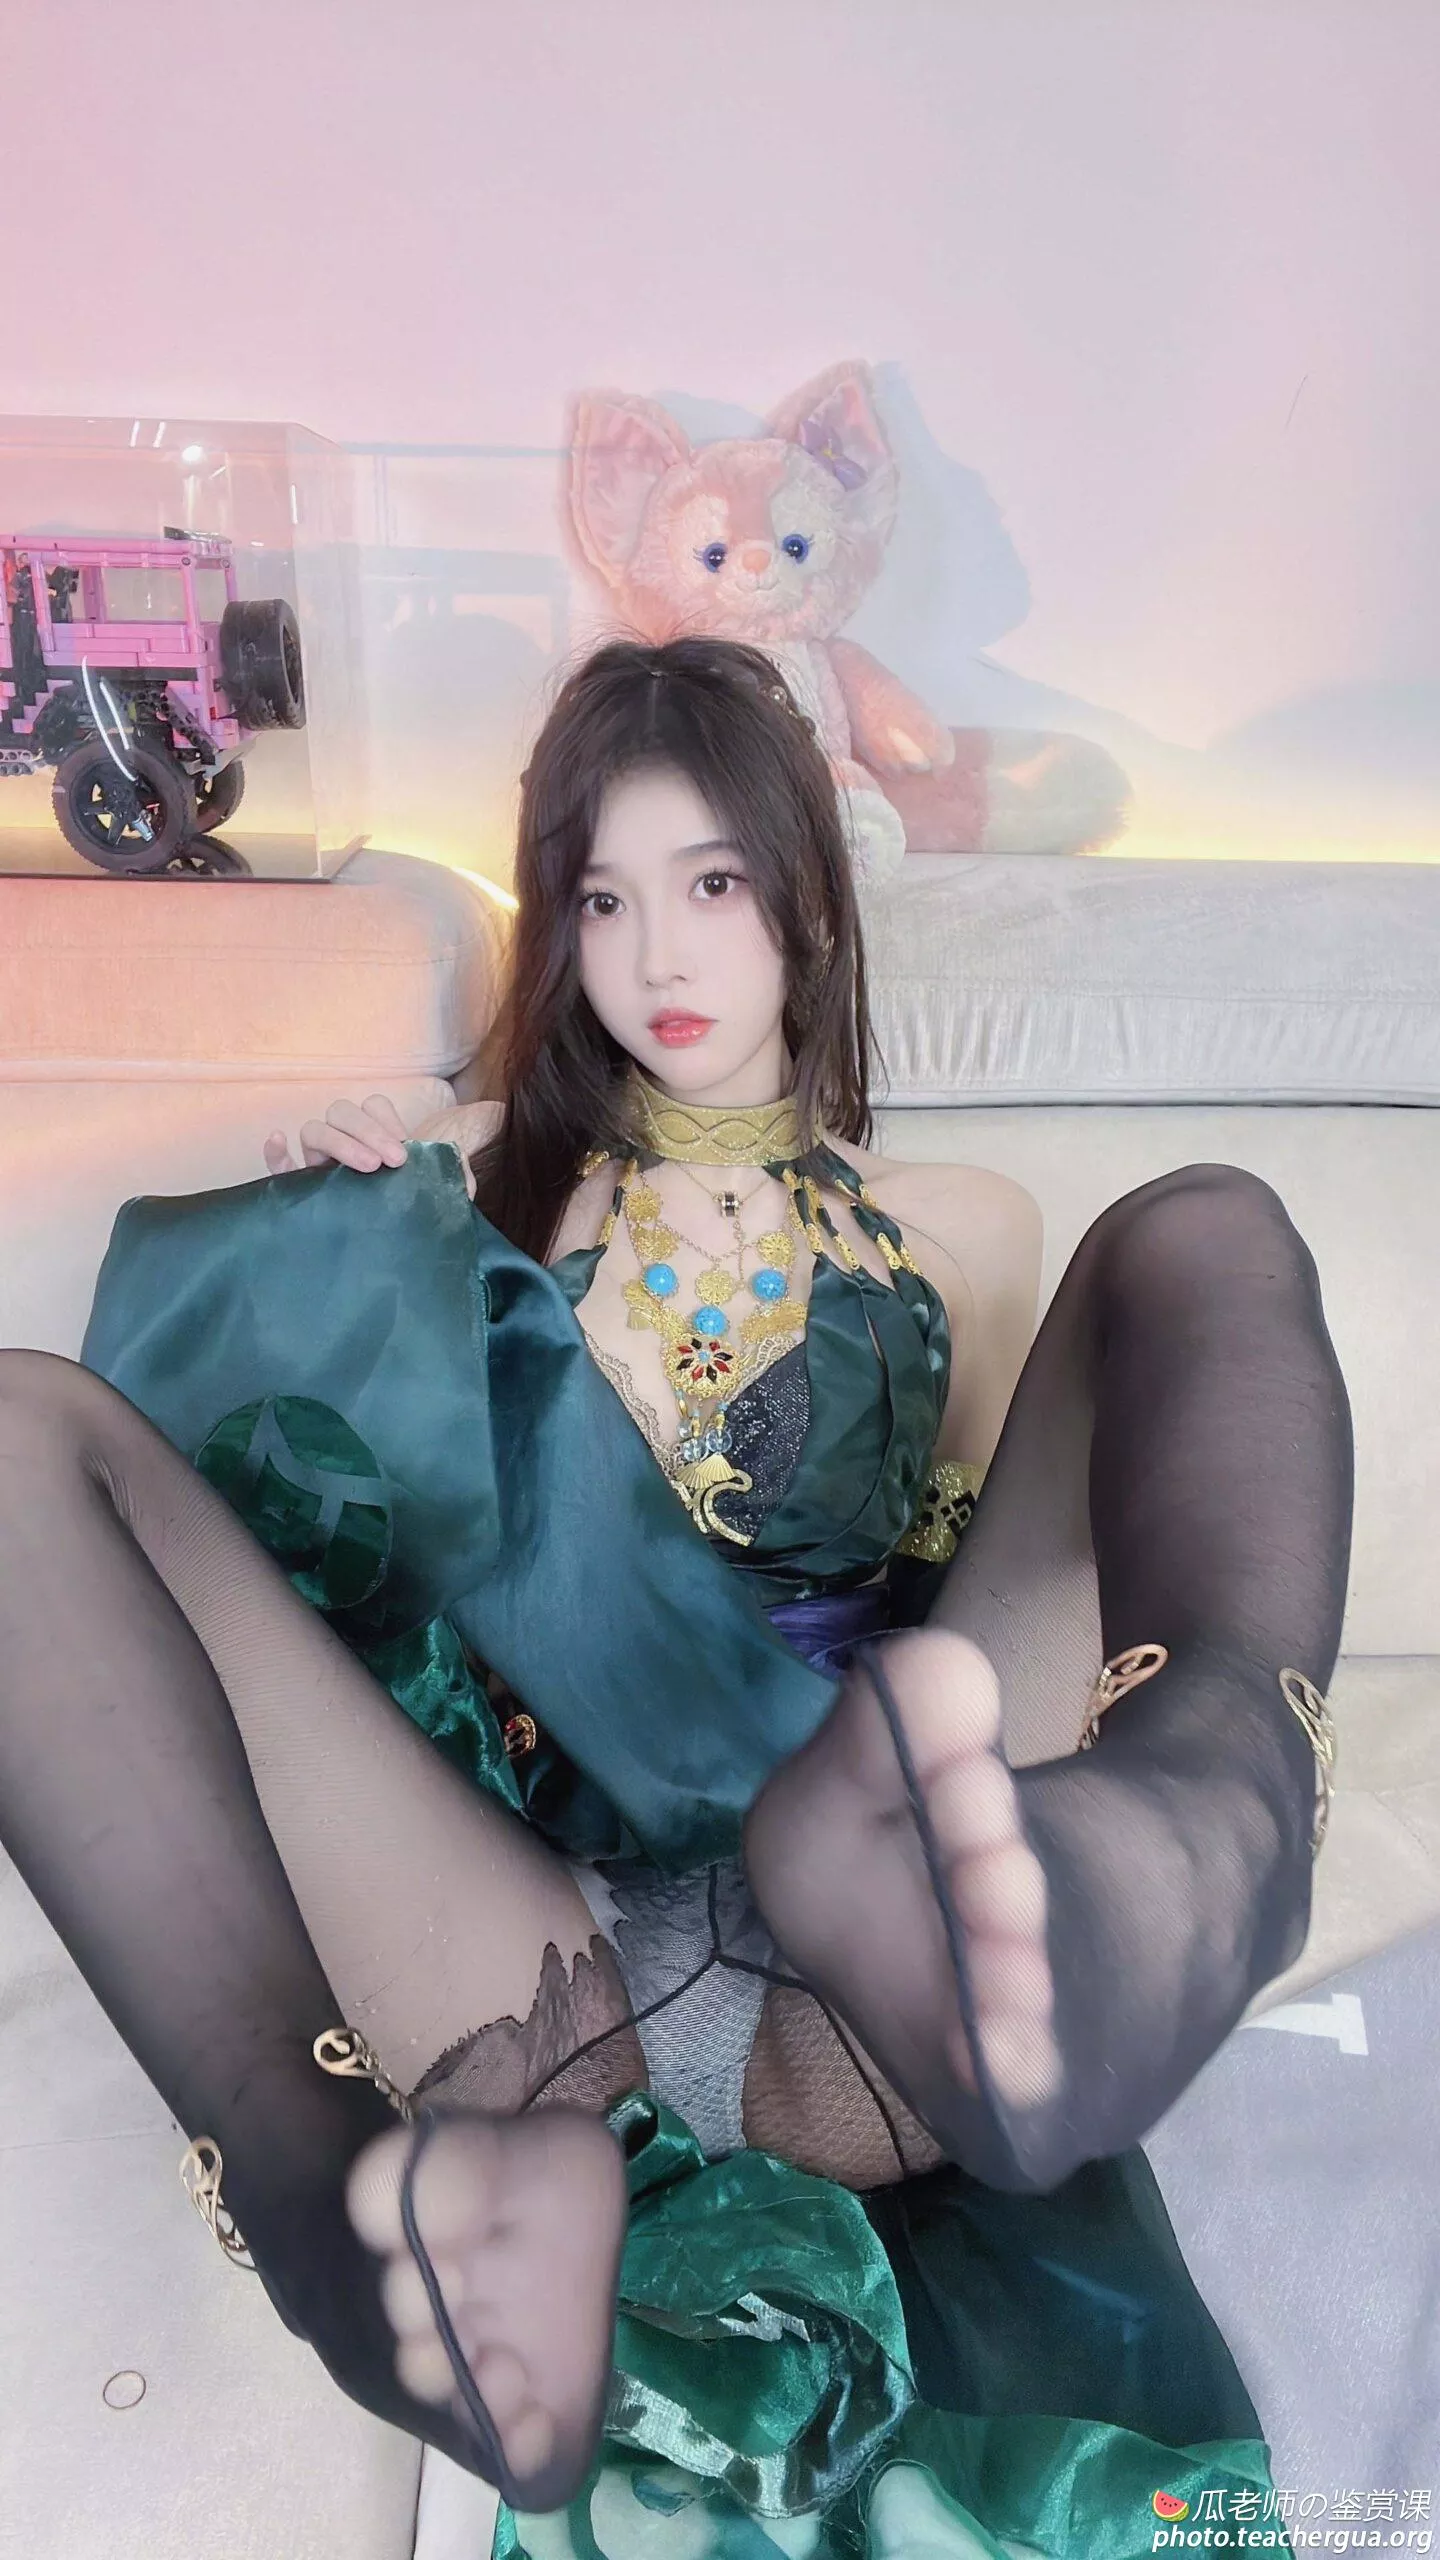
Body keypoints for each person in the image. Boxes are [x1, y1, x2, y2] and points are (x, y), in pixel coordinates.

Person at [0, 637, 1352, 2557]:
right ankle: (333, 2218)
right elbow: (292, 1569)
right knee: (14, 1427)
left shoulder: (963, 1227)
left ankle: (1221, 1816)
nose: (658, 956)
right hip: (532, 1971)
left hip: (876, 1954)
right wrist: (326, 1269)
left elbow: (1003, 1591)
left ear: (807, 892)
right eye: (604, 900)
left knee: (1203, 1221)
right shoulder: (453, 1199)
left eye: (711, 882)